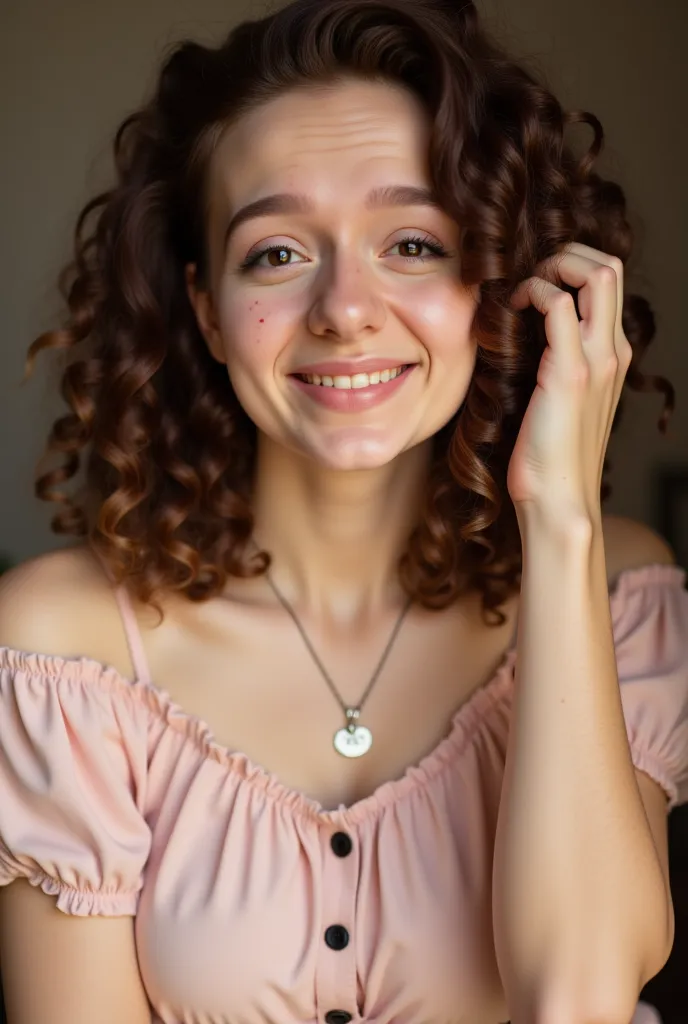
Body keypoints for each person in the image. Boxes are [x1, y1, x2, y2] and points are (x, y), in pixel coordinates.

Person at [0, 1, 686, 1022]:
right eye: (276, 253)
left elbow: (579, 997)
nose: (344, 308)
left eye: (411, 242)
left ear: (497, 282)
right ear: (205, 311)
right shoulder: (64, 653)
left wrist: (561, 521)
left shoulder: (618, 587)